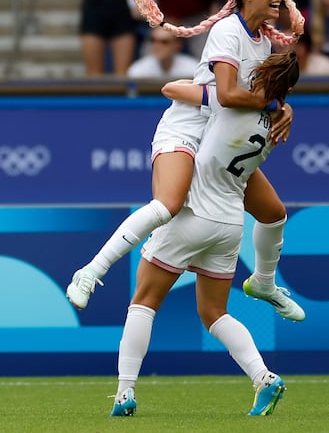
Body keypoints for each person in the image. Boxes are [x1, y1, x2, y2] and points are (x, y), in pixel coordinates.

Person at [66, 0, 306, 322]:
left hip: (220, 140)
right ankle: (91, 271)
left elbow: (260, 93)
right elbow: (227, 94)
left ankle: (264, 283)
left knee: (273, 214)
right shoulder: (227, 30)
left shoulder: (264, 41)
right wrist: (270, 105)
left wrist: (283, 108)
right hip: (187, 130)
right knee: (169, 204)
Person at [110, 50, 300, 418]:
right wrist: (280, 104)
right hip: (231, 224)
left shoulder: (226, 105)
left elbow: (173, 89)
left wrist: (219, 86)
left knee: (144, 301)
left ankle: (124, 393)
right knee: (214, 312)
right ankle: (263, 377)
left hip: (196, 214)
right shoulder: (273, 123)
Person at [127, 25, 199, 78]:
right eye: (153, 40)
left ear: (177, 45)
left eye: (164, 42)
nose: (157, 46)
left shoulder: (193, 69)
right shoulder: (138, 70)